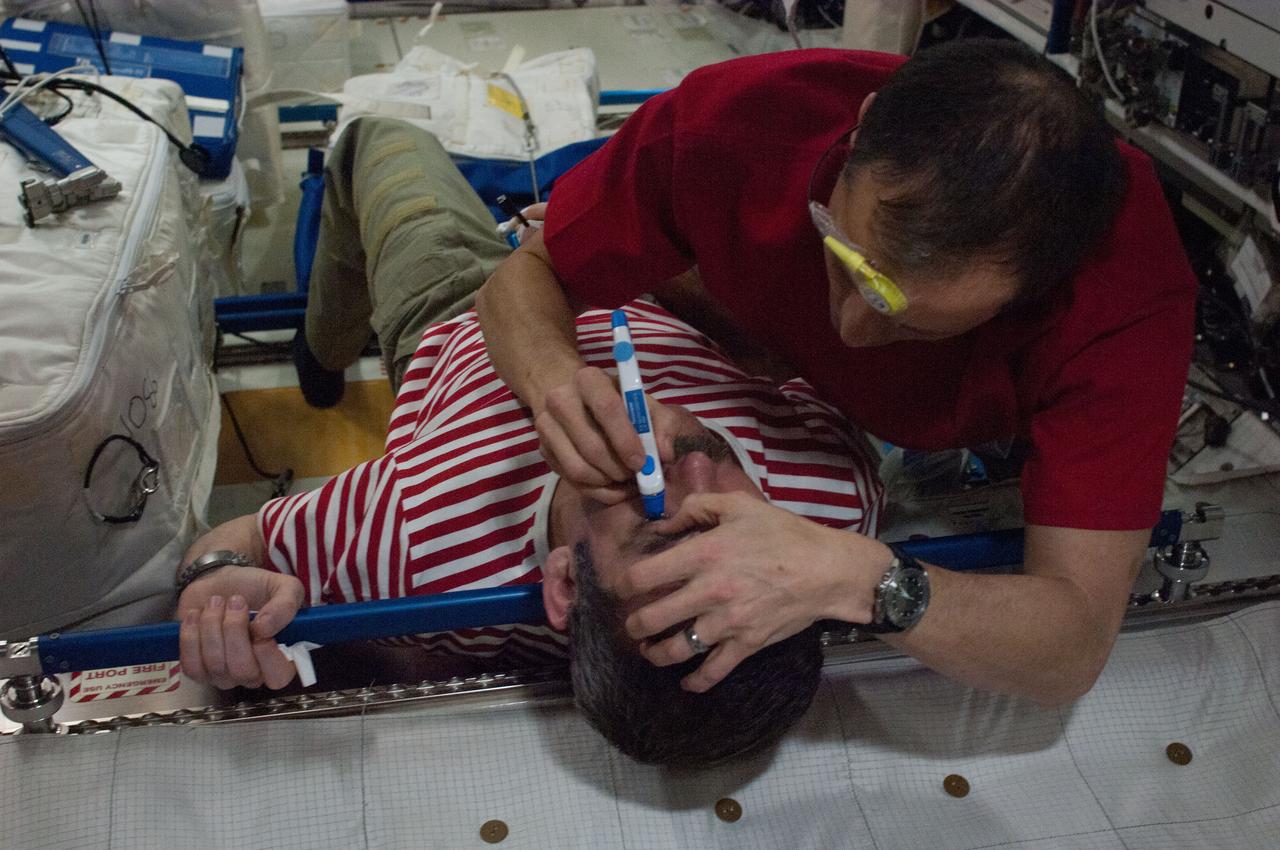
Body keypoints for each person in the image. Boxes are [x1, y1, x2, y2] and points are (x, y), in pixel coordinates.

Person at [474, 39, 1199, 705]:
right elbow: (526, 270)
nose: (851, 329)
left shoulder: (1123, 299)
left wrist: (863, 580)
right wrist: (553, 382)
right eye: (846, 260)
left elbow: (1070, 646)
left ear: (1039, 290)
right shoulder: (735, 122)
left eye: (915, 323)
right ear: (863, 129)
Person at [175, 117, 883, 766]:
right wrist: (622, 258)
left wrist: (213, 586)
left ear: (565, 581)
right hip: (662, 297)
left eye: (661, 522)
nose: (696, 467)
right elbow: (788, 351)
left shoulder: (413, 541)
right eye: (748, 521)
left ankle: (321, 351)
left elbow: (237, 542)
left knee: (375, 141)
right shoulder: (832, 504)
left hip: (458, 309)